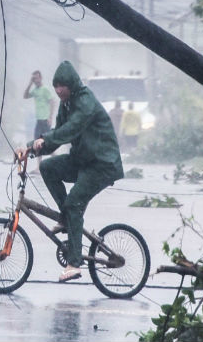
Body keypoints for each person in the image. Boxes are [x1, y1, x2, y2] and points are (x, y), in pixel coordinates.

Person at [16, 60, 123, 283]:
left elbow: (71, 129)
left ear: (71, 84)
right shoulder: (65, 104)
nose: (57, 90)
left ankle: (74, 263)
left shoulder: (85, 102)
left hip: (102, 164)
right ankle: (66, 218)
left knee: (75, 203)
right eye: (55, 86)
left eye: (61, 86)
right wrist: (29, 148)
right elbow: (56, 137)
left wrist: (43, 139)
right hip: (82, 160)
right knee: (48, 167)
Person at [23, 69, 55, 140]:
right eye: (34, 79)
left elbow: (52, 102)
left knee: (46, 142)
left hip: (45, 121)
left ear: (41, 78)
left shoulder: (45, 89)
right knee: (36, 142)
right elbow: (25, 96)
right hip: (39, 121)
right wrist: (30, 83)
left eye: (37, 78)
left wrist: (50, 117)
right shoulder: (35, 90)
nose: (36, 80)